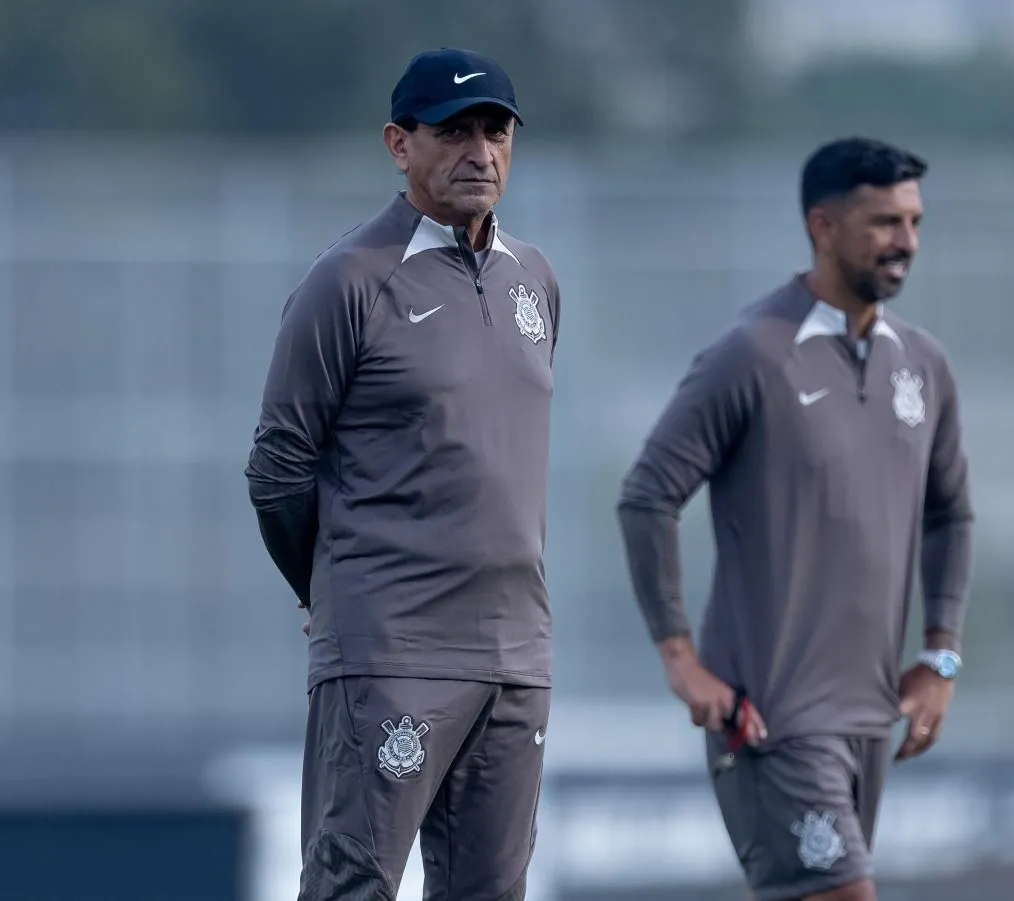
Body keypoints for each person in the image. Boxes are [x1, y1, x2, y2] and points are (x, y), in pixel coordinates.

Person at [616, 137, 974, 901]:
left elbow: (950, 513)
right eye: (882, 222)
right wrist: (681, 660)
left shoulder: (923, 365)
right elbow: (647, 495)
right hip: (771, 718)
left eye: (914, 221)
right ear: (821, 226)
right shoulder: (752, 356)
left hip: (870, 715)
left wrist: (941, 656)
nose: (905, 241)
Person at [245, 46, 561, 901]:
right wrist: (332, 591)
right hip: (393, 650)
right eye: (453, 131)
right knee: (354, 884)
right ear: (399, 143)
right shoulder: (349, 280)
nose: (480, 152)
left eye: (495, 131)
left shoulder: (533, 278)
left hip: (514, 653)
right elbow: (277, 468)